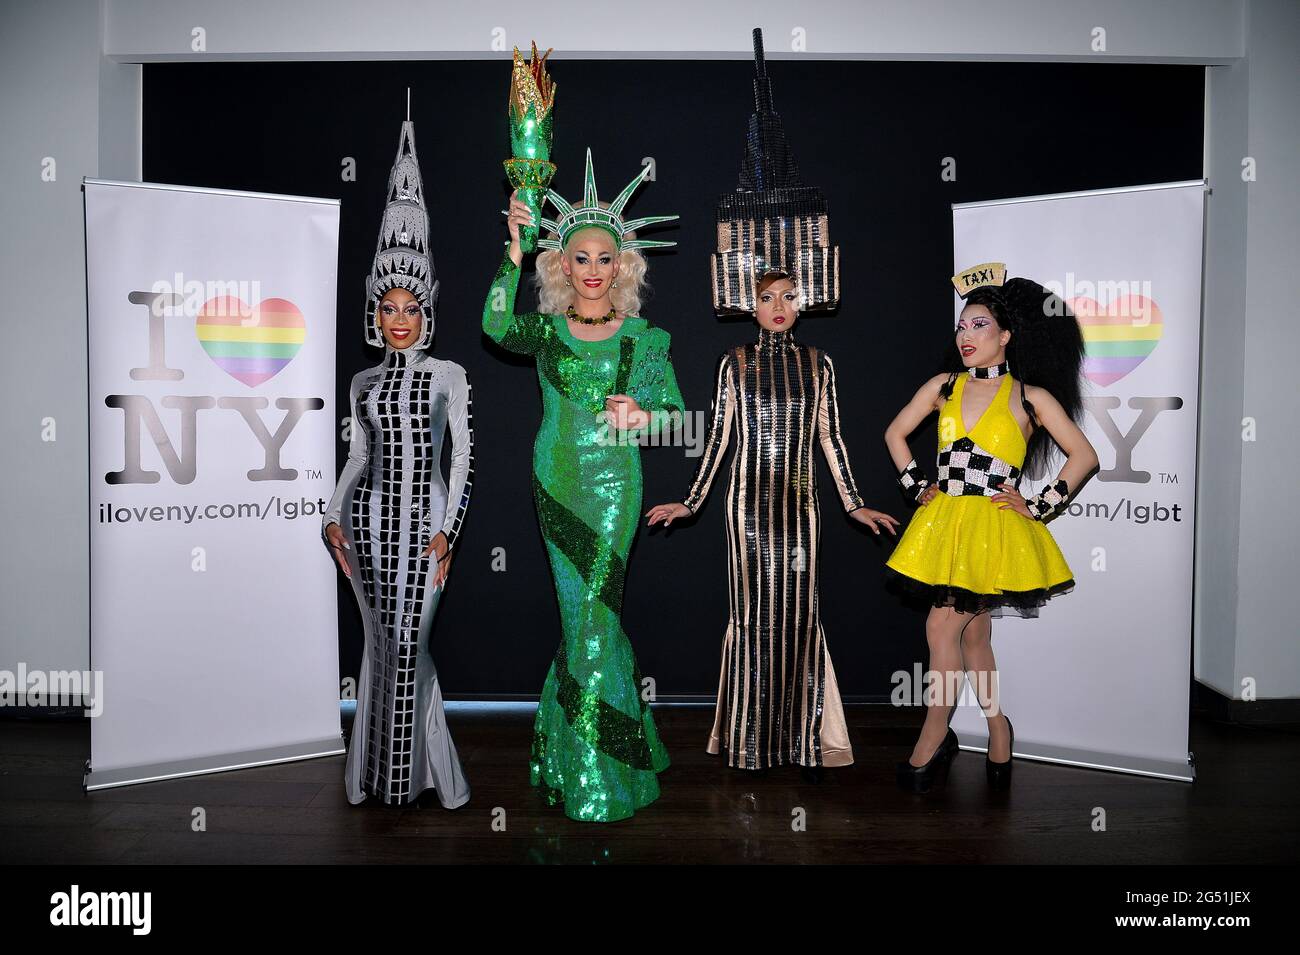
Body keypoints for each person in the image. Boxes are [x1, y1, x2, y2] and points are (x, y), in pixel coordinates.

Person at [483, 150, 682, 822]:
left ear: (621, 265)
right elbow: (493, 326)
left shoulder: (645, 340)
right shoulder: (540, 333)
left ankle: (598, 775)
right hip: (556, 482)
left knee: (593, 623)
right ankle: (580, 757)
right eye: (581, 257)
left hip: (616, 487)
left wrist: (646, 415)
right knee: (583, 624)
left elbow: (683, 420)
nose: (594, 268)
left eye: (605, 258)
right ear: (561, 264)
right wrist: (512, 252)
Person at [647, 269, 898, 777]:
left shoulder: (819, 364)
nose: (778, 305)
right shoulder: (734, 363)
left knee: (801, 618)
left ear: (801, 305)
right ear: (753, 307)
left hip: (803, 509)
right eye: (767, 298)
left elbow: (831, 437)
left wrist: (853, 503)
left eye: (788, 296)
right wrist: (691, 502)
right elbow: (718, 437)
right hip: (746, 510)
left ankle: (805, 741)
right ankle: (748, 742)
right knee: (753, 617)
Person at [883, 262, 1098, 792]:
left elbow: (1084, 456)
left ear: (1005, 336)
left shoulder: (1031, 396)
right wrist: (917, 487)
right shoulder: (943, 386)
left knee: (941, 628)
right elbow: (895, 433)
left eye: (978, 325)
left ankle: (935, 732)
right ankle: (998, 727)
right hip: (945, 522)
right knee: (972, 636)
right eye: (961, 326)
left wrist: (1040, 505)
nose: (965, 335)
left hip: (994, 528)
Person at [322, 111, 473, 809]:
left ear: (427, 308)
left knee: (410, 648)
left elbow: (463, 456)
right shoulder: (362, 384)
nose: (400, 317)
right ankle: (382, 778)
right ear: (375, 312)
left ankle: (428, 777)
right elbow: (356, 458)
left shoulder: (448, 375)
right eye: (389, 306)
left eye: (411, 305)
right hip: (371, 530)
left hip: (428, 527)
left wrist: (450, 530)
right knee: (382, 651)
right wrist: (331, 516)